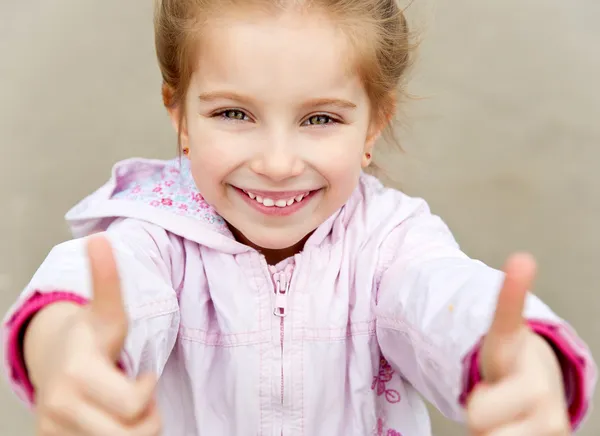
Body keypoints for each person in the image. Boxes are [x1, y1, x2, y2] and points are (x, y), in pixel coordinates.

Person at [2, 1, 596, 435]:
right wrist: (65, 351)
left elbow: (446, 297)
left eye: (320, 119)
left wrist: (526, 363)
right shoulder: (154, 238)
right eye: (234, 113)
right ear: (180, 114)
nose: (278, 163)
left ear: (374, 125)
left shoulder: (390, 243)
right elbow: (94, 292)